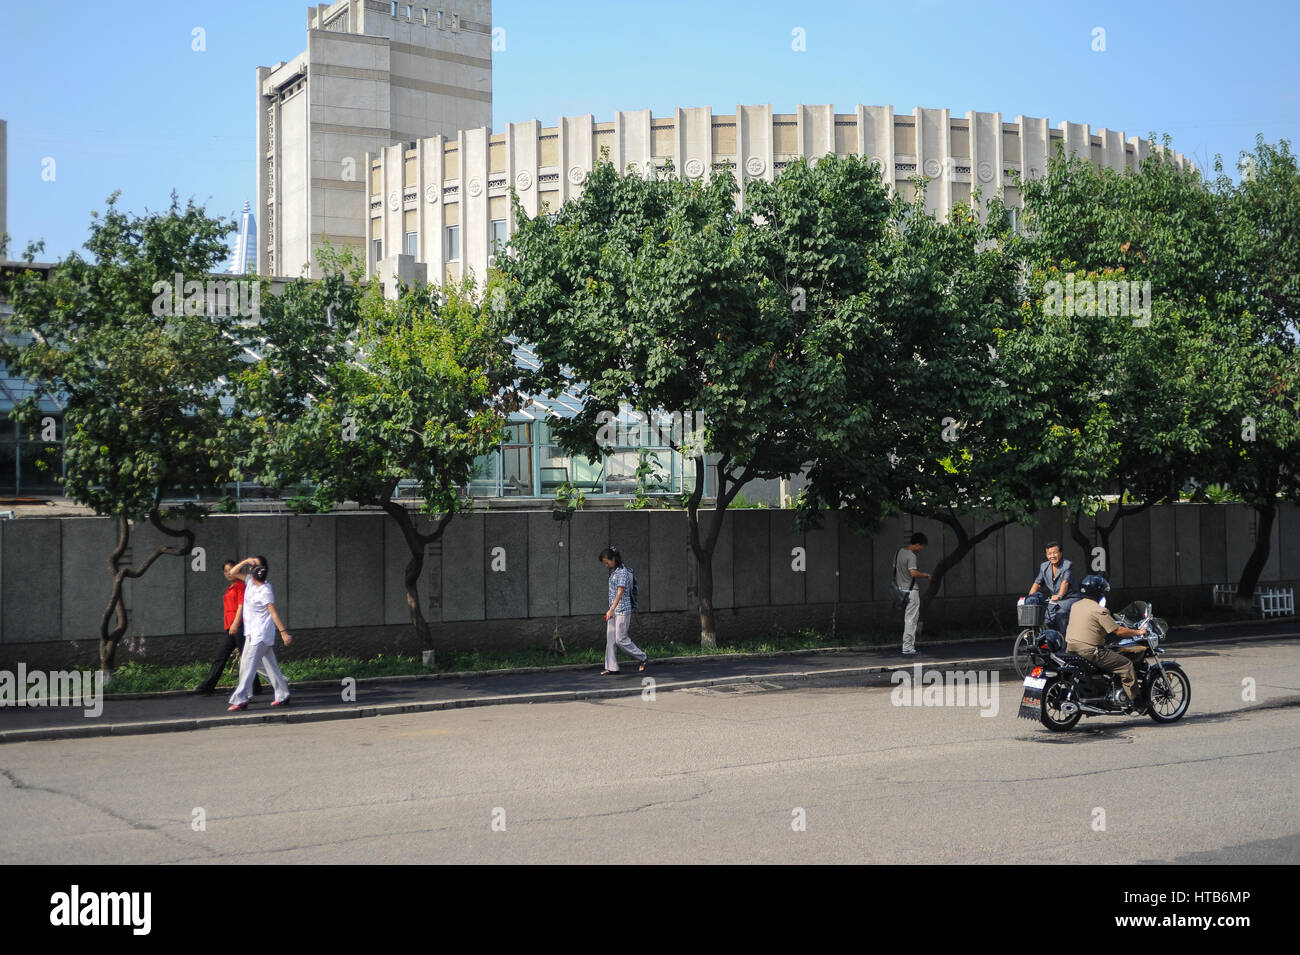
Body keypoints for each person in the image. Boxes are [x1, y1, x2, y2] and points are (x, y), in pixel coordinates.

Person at [1064, 574, 1148, 714]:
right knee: (1126, 665)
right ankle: (1137, 703)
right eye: (1102, 591)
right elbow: (1118, 631)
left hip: (1071, 649)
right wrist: (1138, 632)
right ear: (1098, 592)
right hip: (1091, 652)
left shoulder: (1075, 606)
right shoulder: (1099, 610)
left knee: (1112, 651)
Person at [226, 555, 293, 711]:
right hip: (253, 633)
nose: (251, 567)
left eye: (255, 565)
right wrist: (244, 561)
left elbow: (273, 613)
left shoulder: (265, 590)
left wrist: (283, 633)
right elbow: (233, 572)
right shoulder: (249, 581)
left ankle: (240, 699)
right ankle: (283, 694)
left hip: (260, 635)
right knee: (270, 665)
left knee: (248, 665)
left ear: (261, 570)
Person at [190, 560, 263, 697]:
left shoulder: (241, 586)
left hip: (239, 626)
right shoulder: (231, 587)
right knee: (221, 657)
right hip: (231, 627)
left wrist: (235, 624)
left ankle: (255, 687)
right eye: (225, 571)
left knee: (245, 658)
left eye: (231, 570)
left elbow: (241, 606)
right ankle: (207, 687)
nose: (228, 573)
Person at [597, 546, 647, 675]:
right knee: (611, 640)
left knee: (620, 639)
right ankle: (612, 667)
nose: (606, 565)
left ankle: (642, 657)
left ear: (613, 559)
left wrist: (611, 609)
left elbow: (620, 593)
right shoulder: (615, 571)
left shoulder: (623, 572)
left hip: (622, 610)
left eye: (606, 562)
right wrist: (611, 610)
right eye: (604, 563)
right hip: (613, 610)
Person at [1027, 541, 1080, 632]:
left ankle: (1064, 643)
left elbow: (1065, 582)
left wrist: (1059, 595)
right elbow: (1037, 583)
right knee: (1047, 619)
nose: (1052, 556)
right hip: (1054, 600)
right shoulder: (1044, 566)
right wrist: (1029, 596)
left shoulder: (1067, 565)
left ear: (1060, 553)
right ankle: (1051, 642)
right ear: (1046, 555)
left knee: (1060, 614)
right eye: (1049, 553)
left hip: (1069, 598)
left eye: (1055, 553)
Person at [895, 532, 931, 655]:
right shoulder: (911, 556)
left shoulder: (899, 552)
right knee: (911, 620)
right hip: (911, 591)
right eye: (922, 547)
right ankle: (907, 647)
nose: (921, 549)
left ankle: (908, 646)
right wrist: (926, 575)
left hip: (900, 590)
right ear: (917, 544)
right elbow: (913, 573)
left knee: (907, 619)